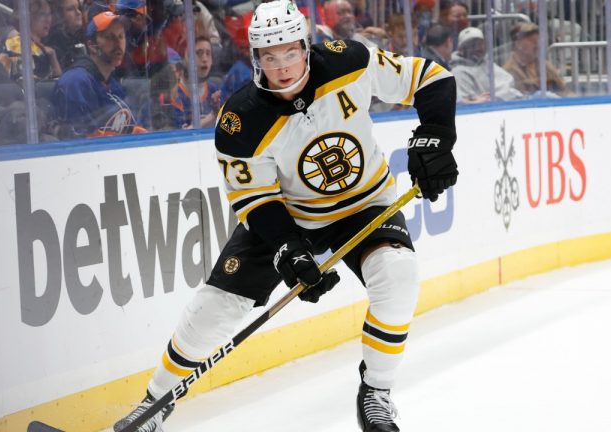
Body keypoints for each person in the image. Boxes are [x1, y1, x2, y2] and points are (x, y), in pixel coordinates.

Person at [112, 1, 458, 432]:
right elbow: (255, 199)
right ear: (255, 57)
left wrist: (436, 138)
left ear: (306, 47)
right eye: (270, 57)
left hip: (364, 202)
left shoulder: (349, 61)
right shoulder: (241, 120)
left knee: (398, 274)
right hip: (289, 216)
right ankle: (153, 407)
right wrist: (287, 251)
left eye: (291, 52)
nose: (283, 67)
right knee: (213, 310)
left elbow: (432, 78)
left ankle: (376, 396)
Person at [51, 11, 143, 137]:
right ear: (92, 46)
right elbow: (78, 141)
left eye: (121, 36)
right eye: (110, 37)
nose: (118, 43)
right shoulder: (76, 82)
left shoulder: (112, 83)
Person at [451, 26, 523, 103]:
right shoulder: (458, 72)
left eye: (480, 43)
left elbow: (508, 82)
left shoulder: (486, 63)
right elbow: (466, 102)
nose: (477, 48)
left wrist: (496, 96)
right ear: (461, 50)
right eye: (472, 45)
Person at [0, 0, 63, 81]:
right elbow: (25, 83)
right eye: (42, 14)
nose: (48, 20)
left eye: (49, 15)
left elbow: (58, 83)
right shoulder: (17, 43)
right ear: (27, 18)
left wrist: (53, 57)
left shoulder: (42, 49)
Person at [501, 22, 570, 97]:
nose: (537, 44)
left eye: (538, 40)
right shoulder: (508, 71)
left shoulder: (545, 65)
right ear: (518, 43)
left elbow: (565, 91)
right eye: (532, 40)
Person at [172, 35, 221, 128]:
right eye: (199, 53)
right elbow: (179, 137)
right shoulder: (175, 93)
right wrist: (212, 116)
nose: (205, 59)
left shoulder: (215, 89)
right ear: (185, 58)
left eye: (208, 53)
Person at [44, 0, 85, 69]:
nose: (78, 12)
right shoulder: (57, 39)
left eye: (78, 8)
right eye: (70, 9)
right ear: (59, 14)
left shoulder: (79, 35)